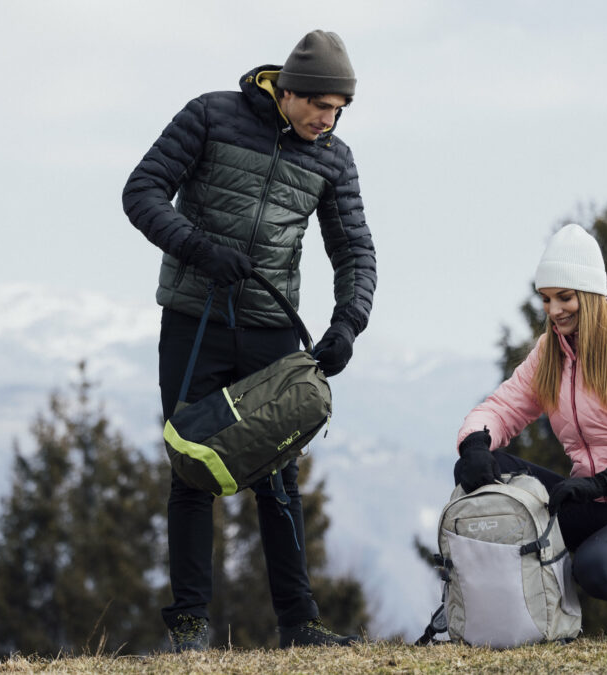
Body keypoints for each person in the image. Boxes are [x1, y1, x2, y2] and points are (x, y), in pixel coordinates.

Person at [122, 30, 376, 652]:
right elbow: (142, 192)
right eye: (322, 106)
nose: (330, 119)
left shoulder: (332, 158)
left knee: (279, 475)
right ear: (289, 90)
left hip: (271, 334)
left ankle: (300, 623)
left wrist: (347, 324)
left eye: (340, 109)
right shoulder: (211, 115)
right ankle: (187, 625)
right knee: (190, 467)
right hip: (195, 321)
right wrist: (200, 250)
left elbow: (355, 252)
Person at [454, 223, 607, 643]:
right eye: (547, 299)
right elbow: (500, 408)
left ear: (589, 294)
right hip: (595, 501)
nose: (555, 310)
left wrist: (605, 482)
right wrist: (476, 442)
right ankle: (511, 615)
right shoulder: (551, 351)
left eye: (565, 297)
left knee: (596, 567)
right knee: (488, 468)